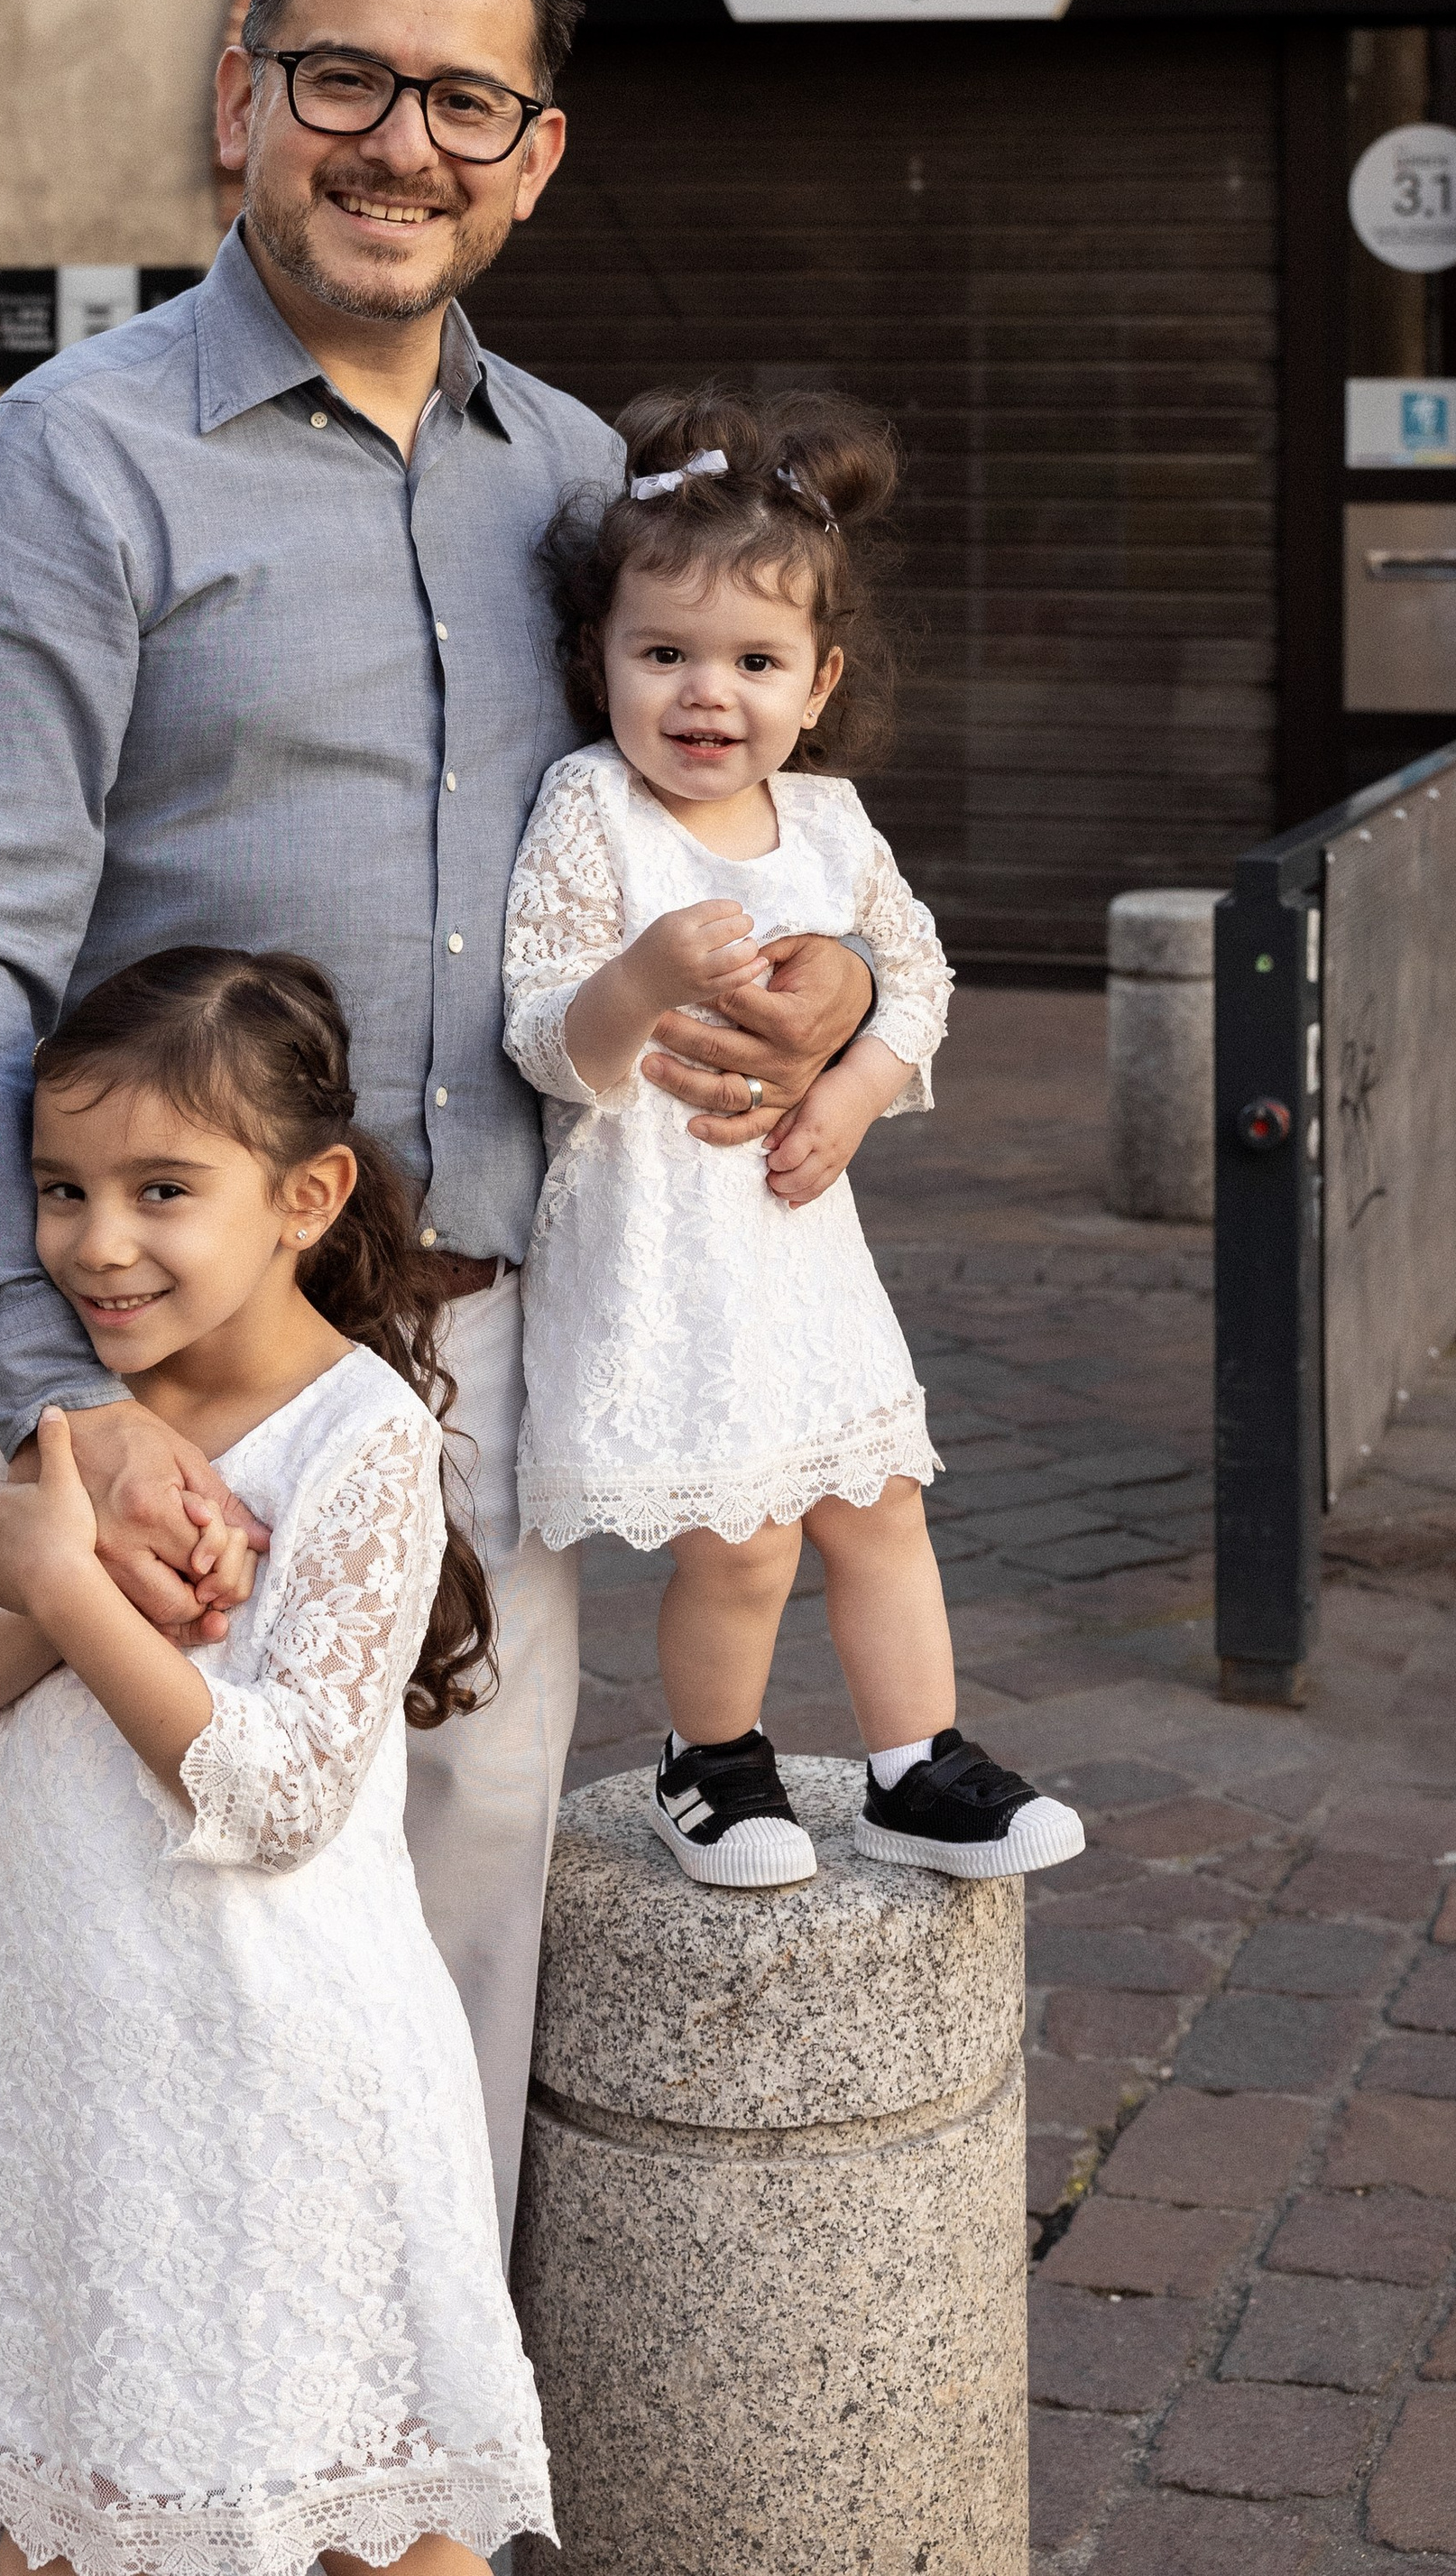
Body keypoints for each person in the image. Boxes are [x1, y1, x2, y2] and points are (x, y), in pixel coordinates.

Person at [0, 0, 877, 2574]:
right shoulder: (71, 473)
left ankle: (326, 2509)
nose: (399, 139)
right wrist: (43, 1408)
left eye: (461, 98)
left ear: (537, 150)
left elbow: (720, 837)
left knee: (415, 1997)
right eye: (347, 76)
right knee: (1, 2001)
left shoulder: (588, 493)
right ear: (244, 90)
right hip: (143, 1376)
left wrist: (838, 1012)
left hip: (481, 1363)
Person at [0, 948, 553, 2576]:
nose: (98, 1243)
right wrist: (48, 1589)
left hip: (287, 2063)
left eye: (163, 1188)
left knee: (367, 2514)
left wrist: (74, 1590)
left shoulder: (362, 1438)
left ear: (308, 1196)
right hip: (78, 2066)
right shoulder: (68, 1421)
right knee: (64, 2503)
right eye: (59, 1189)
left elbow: (283, 1795)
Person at [502, 386, 1088, 1892]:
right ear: (601, 662)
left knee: (878, 1505)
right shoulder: (592, 812)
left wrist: (853, 1091)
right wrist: (638, 981)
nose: (709, 695)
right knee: (743, 1539)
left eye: (755, 661)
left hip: (796, 1229)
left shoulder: (829, 826)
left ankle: (917, 1765)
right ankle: (715, 1764)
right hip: (657, 1230)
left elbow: (924, 973)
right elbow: (542, 1038)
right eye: (666, 655)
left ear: (817, 682)